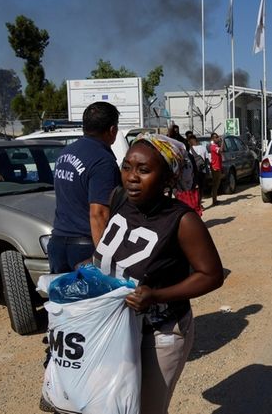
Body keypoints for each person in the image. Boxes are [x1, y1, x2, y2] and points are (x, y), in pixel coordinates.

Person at [93, 133, 224, 413]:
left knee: (146, 409)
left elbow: (211, 275)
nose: (131, 177)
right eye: (127, 167)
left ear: (168, 178)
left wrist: (157, 295)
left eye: (144, 170)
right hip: (116, 329)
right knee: (113, 404)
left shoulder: (183, 220)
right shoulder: (119, 199)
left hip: (160, 332)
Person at [48, 101, 121, 274]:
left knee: (66, 300)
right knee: (94, 301)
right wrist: (103, 259)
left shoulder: (66, 153)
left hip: (58, 243)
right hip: (85, 248)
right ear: (112, 130)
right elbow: (99, 213)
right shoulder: (103, 161)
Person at [209, 132, 224, 206]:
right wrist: (222, 142)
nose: (217, 138)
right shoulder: (213, 146)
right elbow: (221, 150)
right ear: (212, 139)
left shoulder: (215, 145)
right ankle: (214, 200)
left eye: (217, 137)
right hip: (215, 167)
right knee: (215, 184)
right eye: (216, 137)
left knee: (217, 184)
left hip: (218, 166)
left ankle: (215, 199)